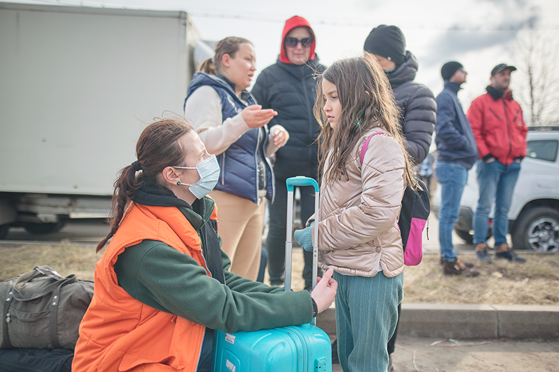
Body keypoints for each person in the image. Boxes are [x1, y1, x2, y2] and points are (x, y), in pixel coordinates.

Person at [72, 119, 337, 372]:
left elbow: (221, 281)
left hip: (164, 347)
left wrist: (290, 298)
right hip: (125, 361)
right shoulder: (148, 247)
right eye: (201, 156)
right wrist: (307, 305)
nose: (211, 160)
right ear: (173, 174)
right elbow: (222, 307)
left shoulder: (196, 211)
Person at [294, 55, 415, 372]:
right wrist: (313, 224)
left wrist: (317, 235)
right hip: (346, 269)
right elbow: (339, 203)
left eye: (334, 96)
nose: (327, 106)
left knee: (367, 362)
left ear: (361, 95)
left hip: (373, 274)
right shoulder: (342, 142)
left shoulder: (379, 144)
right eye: (324, 98)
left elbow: (376, 213)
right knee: (348, 357)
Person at [183, 37, 290, 281]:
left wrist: (273, 139)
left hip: (254, 201)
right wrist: (242, 122)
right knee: (217, 275)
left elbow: (249, 152)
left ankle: (240, 320)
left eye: (255, 61)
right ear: (226, 59)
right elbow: (200, 145)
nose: (253, 67)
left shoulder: (245, 99)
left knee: (246, 279)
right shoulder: (206, 92)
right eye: (248, 59)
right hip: (223, 197)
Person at [364, 24, 436, 370]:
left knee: (390, 276)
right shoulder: (363, 89)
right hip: (362, 192)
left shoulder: (417, 93)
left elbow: (419, 148)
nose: (370, 65)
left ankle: (385, 350)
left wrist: (372, 143)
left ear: (390, 58)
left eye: (375, 59)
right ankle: (357, 340)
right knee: (359, 268)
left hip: (400, 197)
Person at [252, 16, 326, 291]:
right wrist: (272, 132)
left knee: (314, 230)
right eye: (292, 41)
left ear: (312, 43)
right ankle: (277, 286)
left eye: (305, 41)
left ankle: (311, 288)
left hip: (317, 169)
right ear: (284, 43)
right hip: (281, 169)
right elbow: (255, 116)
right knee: (279, 228)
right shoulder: (269, 76)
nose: (299, 47)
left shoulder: (324, 73)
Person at [467, 63, 528, 263]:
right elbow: (473, 131)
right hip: (490, 163)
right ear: (492, 78)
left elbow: (522, 131)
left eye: (508, 74)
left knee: (504, 207)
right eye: (502, 74)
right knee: (484, 205)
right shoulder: (480, 103)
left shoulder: (514, 105)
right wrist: (487, 156)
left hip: (512, 164)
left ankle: (502, 246)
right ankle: (480, 244)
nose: (506, 77)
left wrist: (520, 155)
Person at [435, 61, 480, 277]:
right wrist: (466, 145)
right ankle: (449, 261)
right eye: (462, 70)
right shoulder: (445, 97)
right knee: (448, 215)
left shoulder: (451, 97)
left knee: (449, 214)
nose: (466, 73)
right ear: (453, 74)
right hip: (453, 163)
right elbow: (444, 129)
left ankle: (449, 256)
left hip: (455, 163)